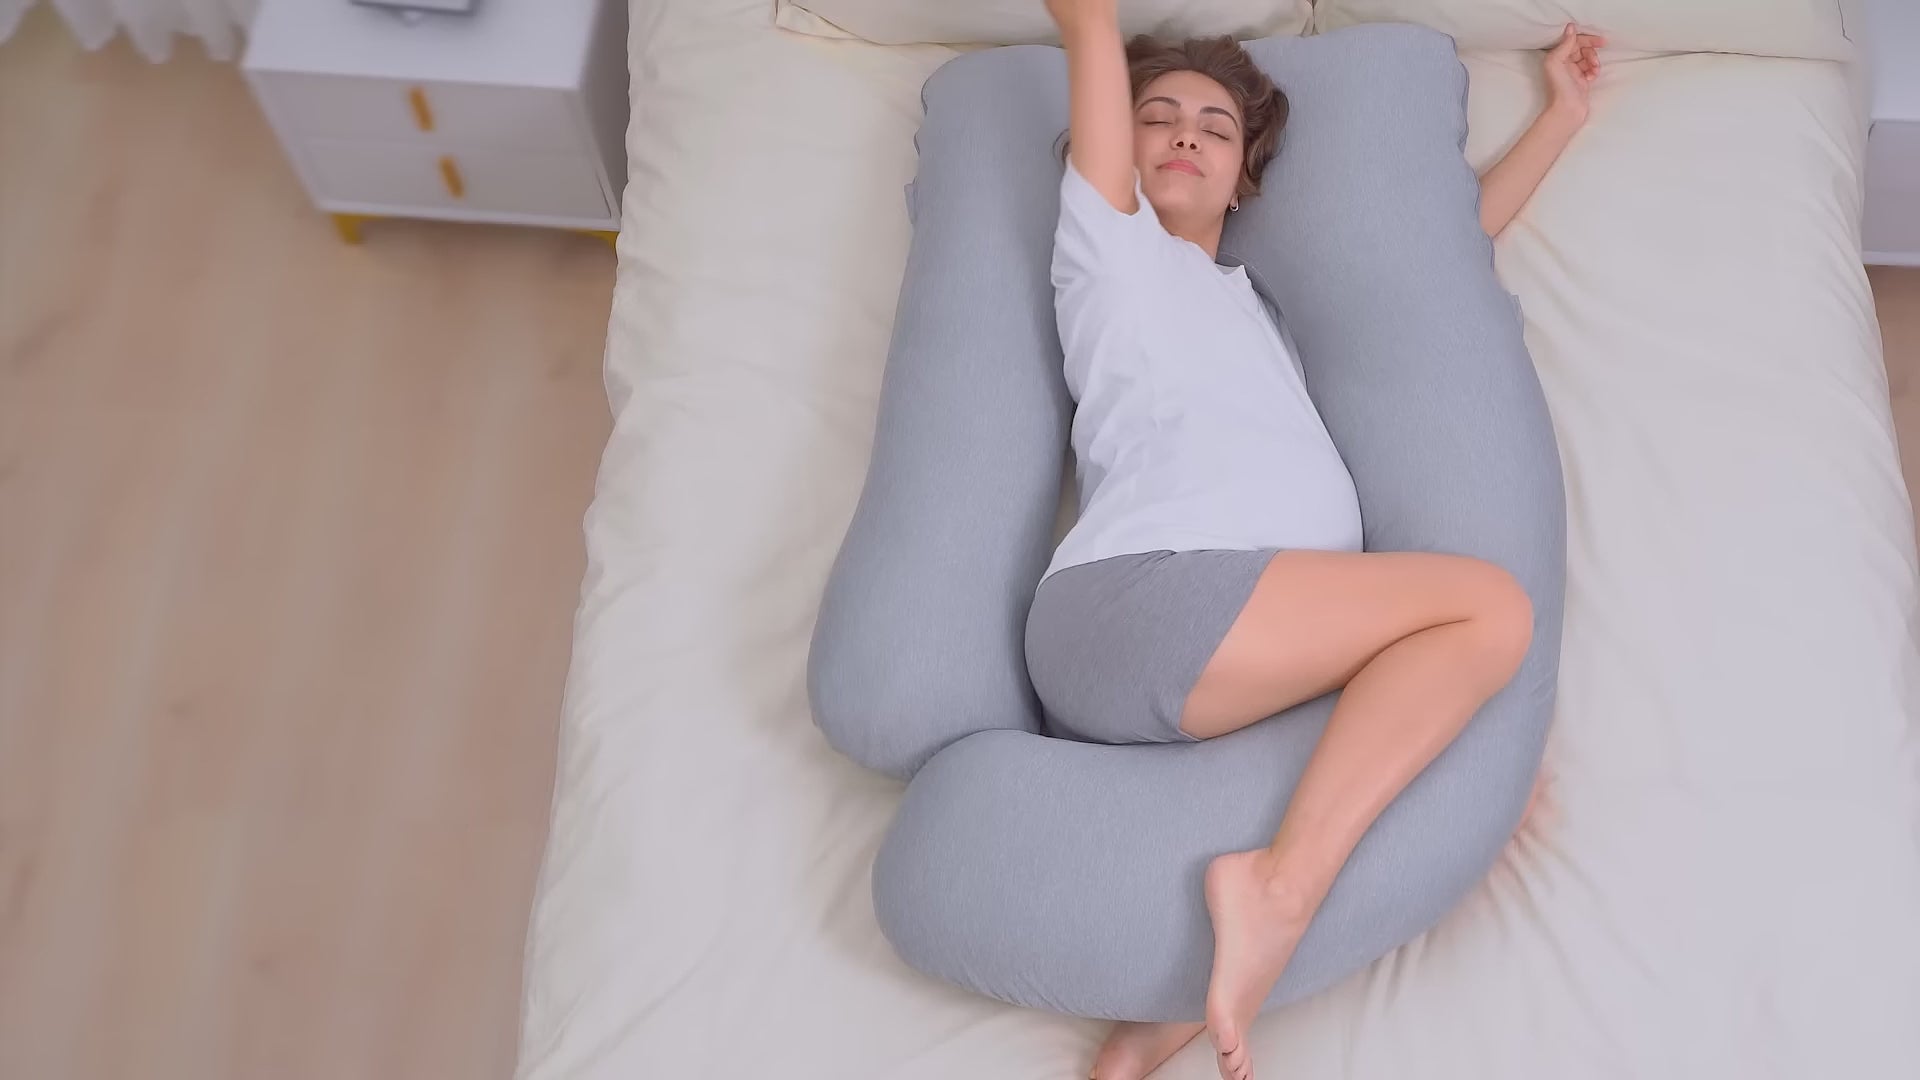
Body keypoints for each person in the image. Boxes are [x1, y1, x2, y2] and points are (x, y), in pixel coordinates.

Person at [1027, 3, 1603, 1078]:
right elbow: (1089, 33)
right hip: (1137, 603)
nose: (1186, 133)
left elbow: (1444, 264)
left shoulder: (1259, 310)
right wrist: (1092, 31)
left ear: (1243, 180)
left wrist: (1561, 117)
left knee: (1444, 768)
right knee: (1488, 609)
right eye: (1156, 118)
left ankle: (1152, 1034)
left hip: (1218, 642)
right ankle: (1276, 892)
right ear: (1112, 149)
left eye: (1216, 127)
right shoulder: (1107, 253)